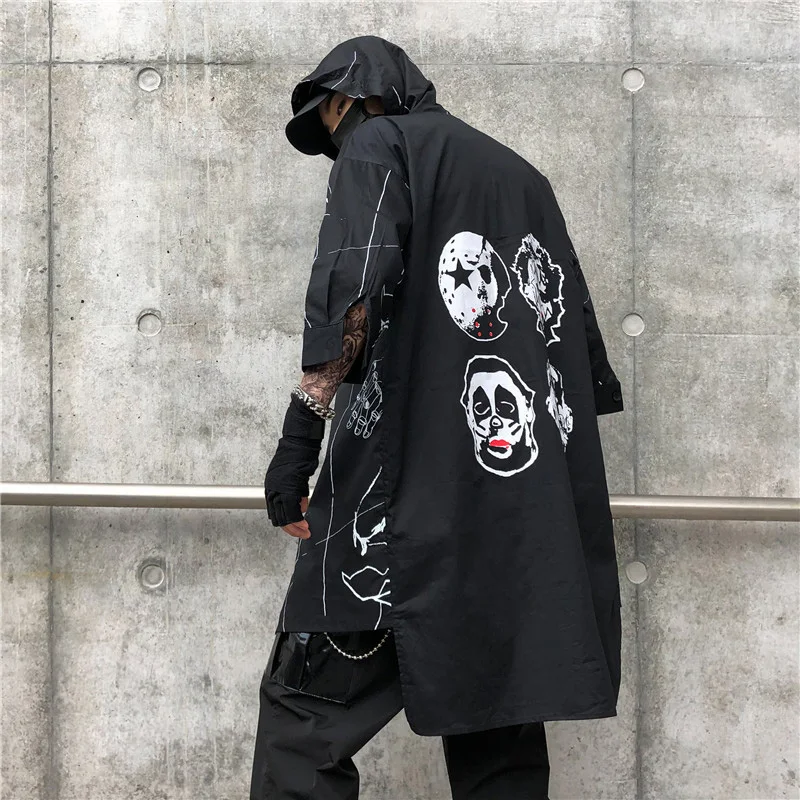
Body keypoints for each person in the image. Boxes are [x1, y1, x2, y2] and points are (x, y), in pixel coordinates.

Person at [252, 35, 625, 799]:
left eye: (331, 124)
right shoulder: (521, 175)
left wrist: (298, 441)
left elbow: (351, 295)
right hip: (511, 521)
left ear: (351, 98)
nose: (336, 147)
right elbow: (575, 355)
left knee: (304, 720)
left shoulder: (376, 144)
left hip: (401, 501)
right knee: (496, 732)